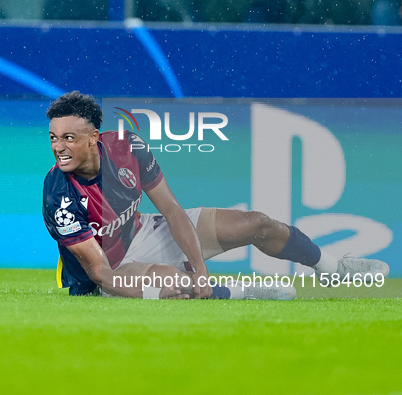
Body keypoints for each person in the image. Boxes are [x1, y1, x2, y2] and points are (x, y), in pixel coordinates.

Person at [42, 91, 389, 299]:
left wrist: (201, 269)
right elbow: (101, 273)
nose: (59, 147)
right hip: (111, 268)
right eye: (54, 137)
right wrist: (186, 285)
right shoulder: (59, 192)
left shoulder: (128, 147)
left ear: (94, 137)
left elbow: (174, 212)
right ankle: (239, 292)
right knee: (174, 285)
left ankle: (331, 267)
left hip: (143, 229)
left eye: (69, 138)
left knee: (258, 223)